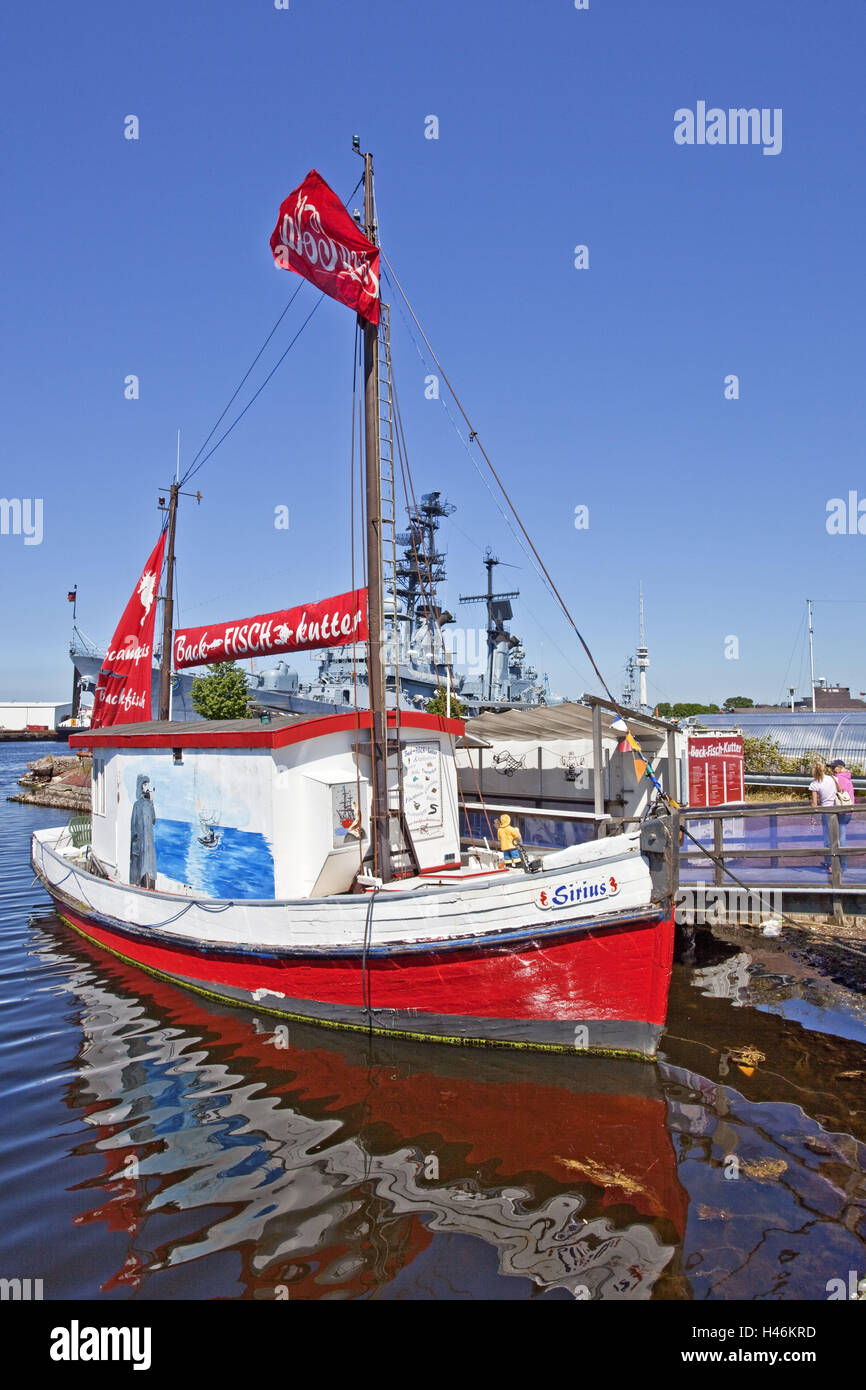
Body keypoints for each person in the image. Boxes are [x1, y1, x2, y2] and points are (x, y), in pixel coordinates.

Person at [809, 759, 837, 872]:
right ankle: (836, 862)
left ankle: (830, 863)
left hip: (826, 811)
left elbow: (814, 804)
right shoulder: (832, 778)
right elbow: (839, 790)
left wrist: (813, 816)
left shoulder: (814, 783)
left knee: (827, 837)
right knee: (836, 836)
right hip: (837, 809)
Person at [130, 773, 157, 889]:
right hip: (140, 843)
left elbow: (153, 820)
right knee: (141, 868)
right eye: (145, 784)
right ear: (140, 786)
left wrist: (152, 803)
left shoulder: (149, 803)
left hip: (149, 842)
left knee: (150, 868)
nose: (147, 787)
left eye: (148, 784)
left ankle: (150, 887)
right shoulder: (137, 805)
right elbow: (133, 826)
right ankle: (141, 885)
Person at [829, 759, 855, 847]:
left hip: (841, 809)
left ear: (840, 767)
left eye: (833, 767)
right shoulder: (847, 777)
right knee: (841, 832)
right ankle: (842, 859)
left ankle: (840, 859)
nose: (832, 769)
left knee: (839, 835)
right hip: (848, 809)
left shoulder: (838, 778)